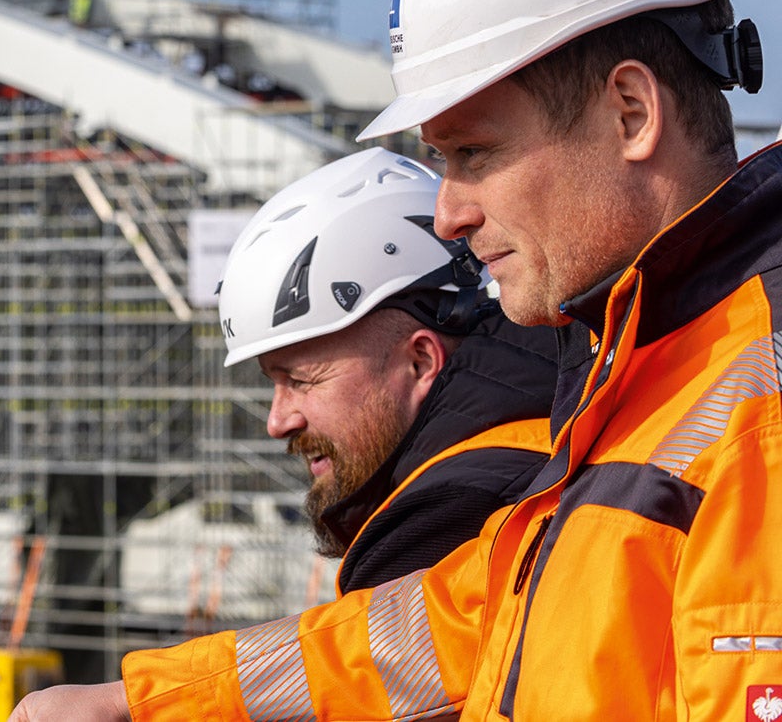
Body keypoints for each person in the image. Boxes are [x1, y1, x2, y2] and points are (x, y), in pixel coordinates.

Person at [10, 0, 779, 721]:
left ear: (631, 111)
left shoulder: (756, 416)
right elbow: (459, 624)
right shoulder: (655, 369)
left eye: (474, 153)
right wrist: (145, 702)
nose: (448, 211)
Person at [215, 146, 555, 593]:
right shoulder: (548, 413)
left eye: (300, 380)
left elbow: (356, 660)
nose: (278, 422)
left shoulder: (449, 519)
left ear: (420, 363)